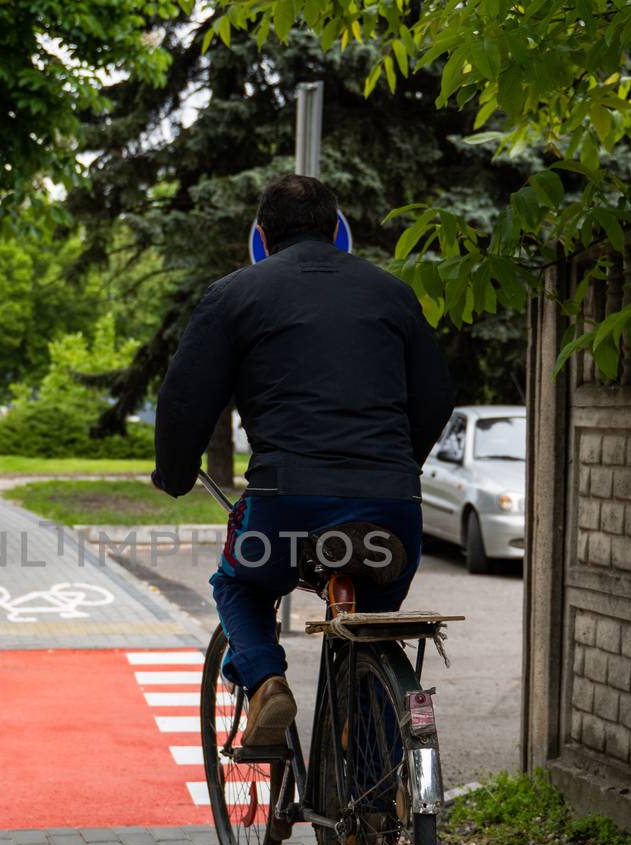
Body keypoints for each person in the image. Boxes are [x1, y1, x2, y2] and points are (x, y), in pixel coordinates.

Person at [151, 173, 455, 748]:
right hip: (391, 512)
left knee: (239, 585)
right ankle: (368, 818)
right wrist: (395, 468)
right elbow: (437, 395)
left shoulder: (234, 295)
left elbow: (185, 399)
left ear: (262, 235)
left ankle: (267, 683)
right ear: (337, 229)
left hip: (286, 509)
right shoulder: (392, 294)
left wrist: (173, 472)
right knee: (370, 633)